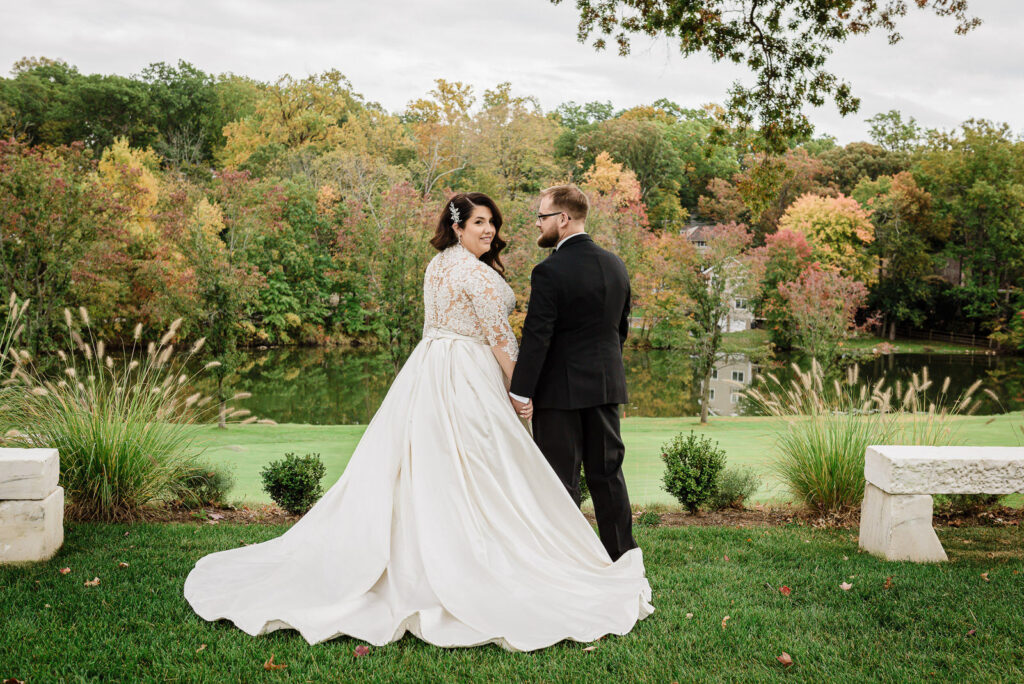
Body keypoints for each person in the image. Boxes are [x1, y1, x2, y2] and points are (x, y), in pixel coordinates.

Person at [183, 192, 652, 652]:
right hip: (480, 377)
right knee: (504, 471)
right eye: (480, 223)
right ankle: (565, 556)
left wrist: (524, 388)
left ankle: (460, 551)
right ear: (457, 226)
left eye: (493, 222)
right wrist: (520, 394)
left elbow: (511, 333)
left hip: (430, 370)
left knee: (435, 467)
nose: (491, 230)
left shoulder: (439, 265)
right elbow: (506, 339)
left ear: (562, 219)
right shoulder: (584, 267)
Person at [509, 184, 637, 562]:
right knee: (608, 475)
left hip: (559, 394)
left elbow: (538, 337)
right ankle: (623, 557)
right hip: (606, 386)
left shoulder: (548, 271)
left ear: (563, 220)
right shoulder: (615, 264)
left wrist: (520, 391)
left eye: (542, 216)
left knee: (560, 482)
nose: (537, 224)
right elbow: (620, 330)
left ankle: (566, 562)